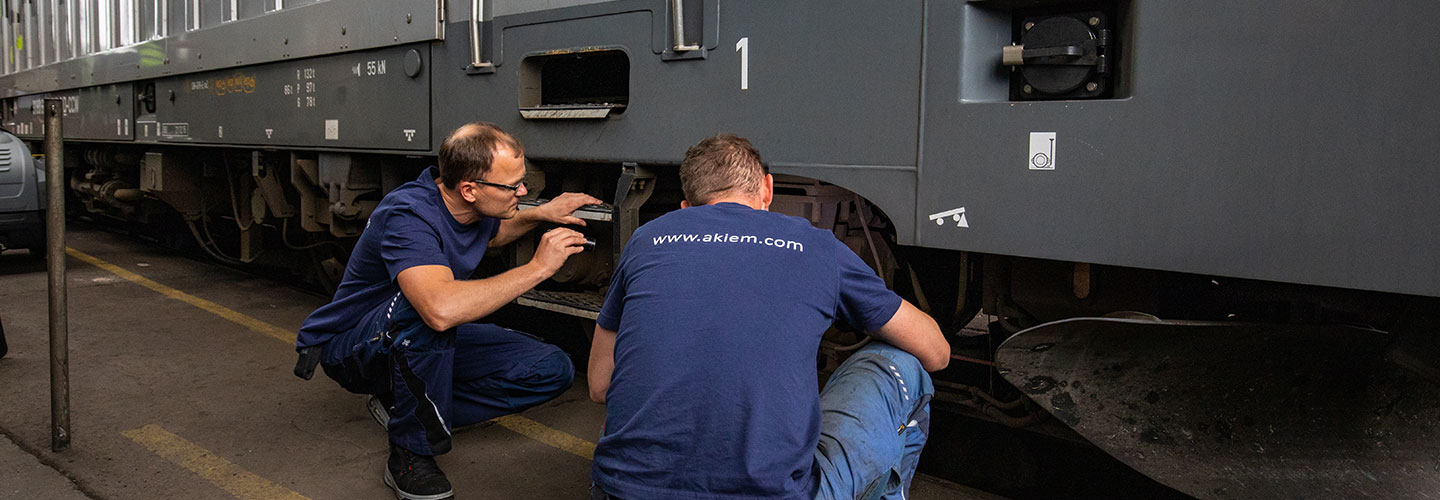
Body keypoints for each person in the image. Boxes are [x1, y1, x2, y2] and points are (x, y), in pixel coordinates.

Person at [587, 134, 951, 500]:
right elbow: (937, 352)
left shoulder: (646, 239)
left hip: (620, 492)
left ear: (687, 208)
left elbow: (600, 385)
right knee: (904, 363)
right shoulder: (816, 245)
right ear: (767, 189)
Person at [295, 123, 601, 500]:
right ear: (470, 189)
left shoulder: (467, 207)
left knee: (551, 369)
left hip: (409, 334)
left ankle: (401, 406)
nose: (523, 193)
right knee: (430, 308)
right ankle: (411, 452)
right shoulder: (408, 215)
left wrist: (541, 214)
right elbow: (439, 310)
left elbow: (491, 234)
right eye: (513, 186)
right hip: (352, 346)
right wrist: (538, 268)